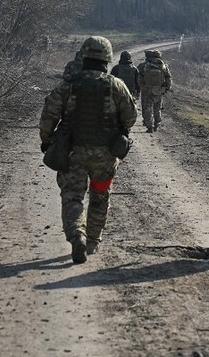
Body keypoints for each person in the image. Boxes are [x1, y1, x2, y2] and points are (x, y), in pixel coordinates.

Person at [40, 36, 137, 263]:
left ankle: (77, 237)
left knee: (73, 197)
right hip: (105, 157)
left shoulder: (68, 84)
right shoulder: (116, 85)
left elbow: (49, 115)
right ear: (107, 58)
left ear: (85, 55)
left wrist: (46, 140)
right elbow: (131, 117)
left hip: (73, 153)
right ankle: (92, 241)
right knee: (100, 196)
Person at [136, 49, 172, 133]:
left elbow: (139, 78)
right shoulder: (163, 66)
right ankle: (157, 124)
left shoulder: (145, 65)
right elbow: (168, 78)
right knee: (157, 108)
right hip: (159, 90)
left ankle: (149, 126)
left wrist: (142, 87)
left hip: (147, 90)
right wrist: (166, 88)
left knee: (148, 108)